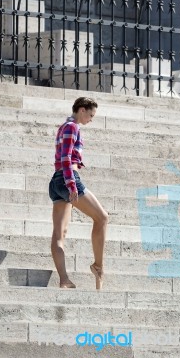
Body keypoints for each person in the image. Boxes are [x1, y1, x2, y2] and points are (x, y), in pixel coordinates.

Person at [48, 97, 108, 290]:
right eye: (90, 115)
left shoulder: (63, 127)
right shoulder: (72, 127)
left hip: (56, 181)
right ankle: (98, 265)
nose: (91, 119)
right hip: (67, 179)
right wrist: (72, 184)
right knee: (102, 218)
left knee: (59, 234)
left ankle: (64, 280)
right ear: (81, 110)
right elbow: (66, 157)